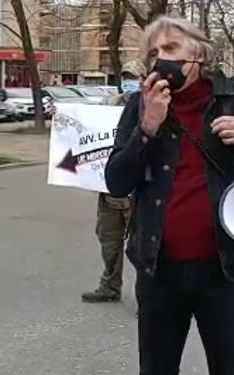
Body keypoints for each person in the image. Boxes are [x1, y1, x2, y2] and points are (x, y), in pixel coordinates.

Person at [105, 16, 234, 374]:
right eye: (154, 53)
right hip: (158, 272)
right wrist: (148, 127)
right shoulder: (141, 105)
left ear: (200, 53)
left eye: (171, 48)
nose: (162, 59)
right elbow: (116, 181)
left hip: (224, 271)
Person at [81, 60, 146, 303]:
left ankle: (148, 297)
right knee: (108, 239)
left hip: (138, 191)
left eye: (135, 77)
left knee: (142, 247)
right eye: (126, 76)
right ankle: (110, 285)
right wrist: (61, 119)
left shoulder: (152, 106)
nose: (129, 82)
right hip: (109, 190)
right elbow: (83, 126)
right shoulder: (109, 105)